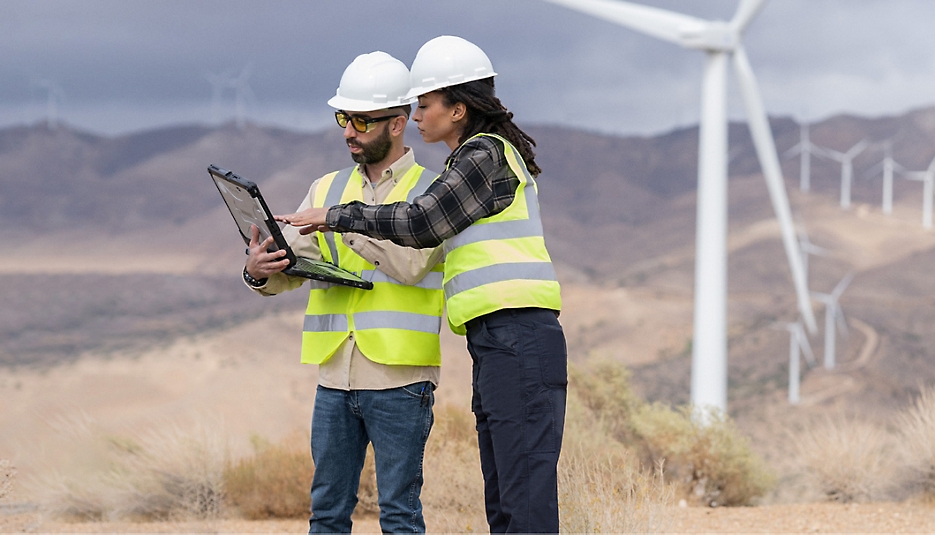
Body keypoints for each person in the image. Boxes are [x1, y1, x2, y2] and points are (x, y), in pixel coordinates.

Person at [277, 36, 567, 533]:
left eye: (425, 104)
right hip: (498, 338)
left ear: (458, 109)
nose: (416, 115)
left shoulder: (484, 157)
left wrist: (338, 218)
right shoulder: (473, 160)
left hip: (519, 336)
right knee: (505, 495)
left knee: (522, 496)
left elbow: (421, 222)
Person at [243, 51, 444, 533]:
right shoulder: (325, 186)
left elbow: (412, 264)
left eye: (360, 120)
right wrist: (258, 270)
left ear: (397, 124)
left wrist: (341, 220)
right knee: (327, 514)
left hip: (400, 379)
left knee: (399, 514)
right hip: (334, 376)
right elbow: (292, 268)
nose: (348, 131)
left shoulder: (431, 192)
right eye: (342, 118)